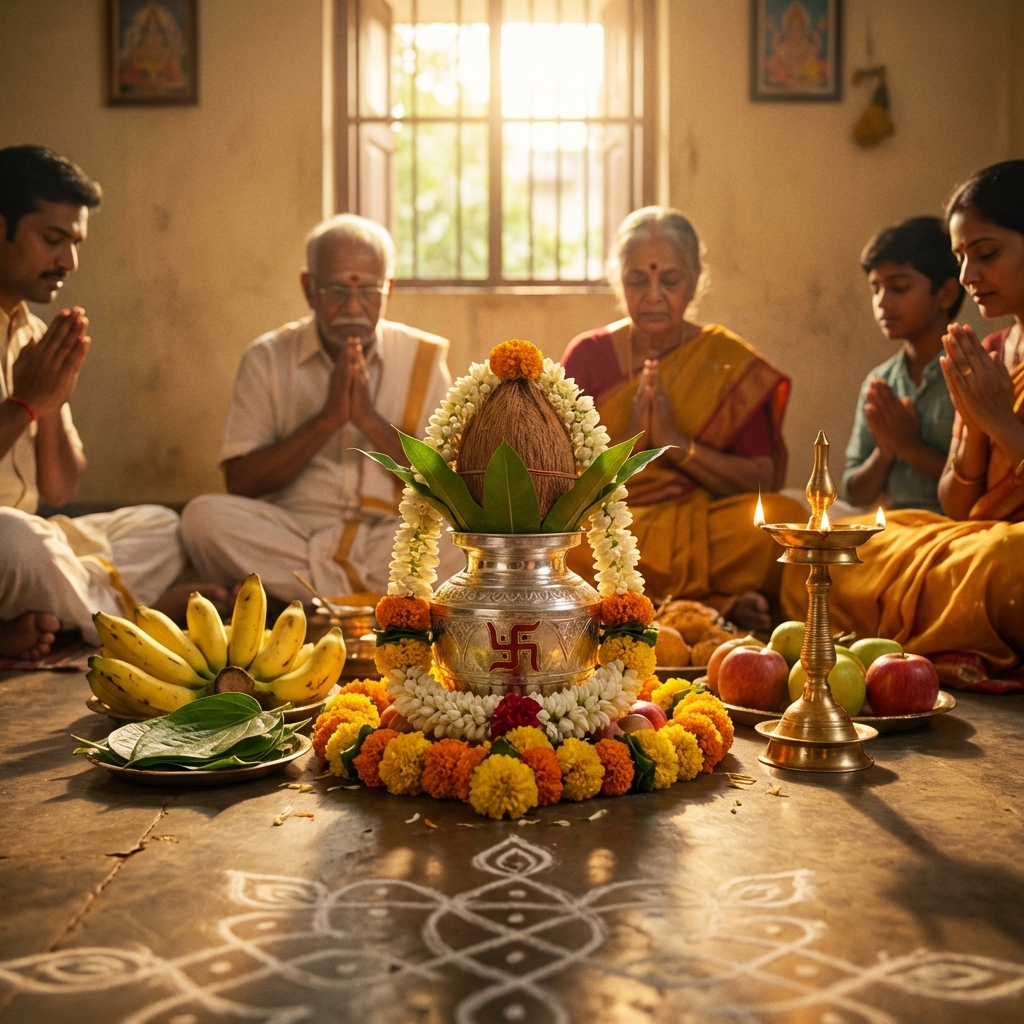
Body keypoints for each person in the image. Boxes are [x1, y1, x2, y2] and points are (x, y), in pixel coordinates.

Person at [782, 161, 1024, 680]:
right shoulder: (989, 352)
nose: (967, 278)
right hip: (959, 534)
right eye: (961, 258)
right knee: (824, 549)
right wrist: (977, 423)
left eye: (986, 255)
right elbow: (958, 506)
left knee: (1009, 556)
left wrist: (1000, 420)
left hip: (1003, 546)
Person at [0, 145, 211, 660]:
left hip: (31, 541)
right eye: (52, 240)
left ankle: (74, 611)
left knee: (162, 527)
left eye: (74, 243)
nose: (68, 261)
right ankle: (129, 622)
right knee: (17, 539)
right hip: (9, 544)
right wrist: (26, 403)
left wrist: (50, 402)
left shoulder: (33, 335)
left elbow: (60, 487)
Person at [181, 215, 457, 604]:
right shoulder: (267, 358)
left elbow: (444, 486)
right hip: (294, 530)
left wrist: (369, 422)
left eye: (369, 291)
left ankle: (293, 597)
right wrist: (327, 419)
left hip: (388, 533)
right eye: (336, 290)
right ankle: (384, 601)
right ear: (309, 289)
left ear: (389, 289)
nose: (353, 307)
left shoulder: (421, 360)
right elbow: (240, 483)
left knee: (458, 536)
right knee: (201, 520)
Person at [561, 207, 804, 630]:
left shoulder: (726, 361)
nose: (653, 294)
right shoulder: (588, 355)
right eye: (638, 280)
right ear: (619, 281)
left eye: (669, 280)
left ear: (694, 283)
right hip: (612, 526)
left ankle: (669, 606)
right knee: (562, 545)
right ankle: (715, 605)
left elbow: (763, 479)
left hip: (703, 524)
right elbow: (557, 479)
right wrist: (631, 439)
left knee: (780, 520)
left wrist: (677, 444)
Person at [843, 217, 965, 514]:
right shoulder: (881, 381)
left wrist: (909, 447)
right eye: (875, 289)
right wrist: (884, 453)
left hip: (958, 528)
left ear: (946, 294)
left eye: (898, 288)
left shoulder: (971, 374)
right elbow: (854, 493)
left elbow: (990, 484)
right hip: (894, 528)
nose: (882, 302)